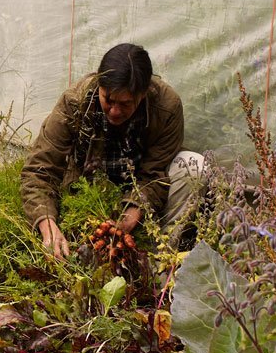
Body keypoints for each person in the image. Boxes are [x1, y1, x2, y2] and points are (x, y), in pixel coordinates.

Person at [20, 43, 207, 258]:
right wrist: (47, 225)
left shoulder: (166, 106)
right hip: (88, 191)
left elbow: (154, 174)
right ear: (99, 84)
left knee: (194, 165)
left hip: (138, 190)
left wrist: (131, 216)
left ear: (143, 93)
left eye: (126, 104)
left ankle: (159, 258)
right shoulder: (75, 102)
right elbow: (39, 169)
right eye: (108, 100)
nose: (115, 111)